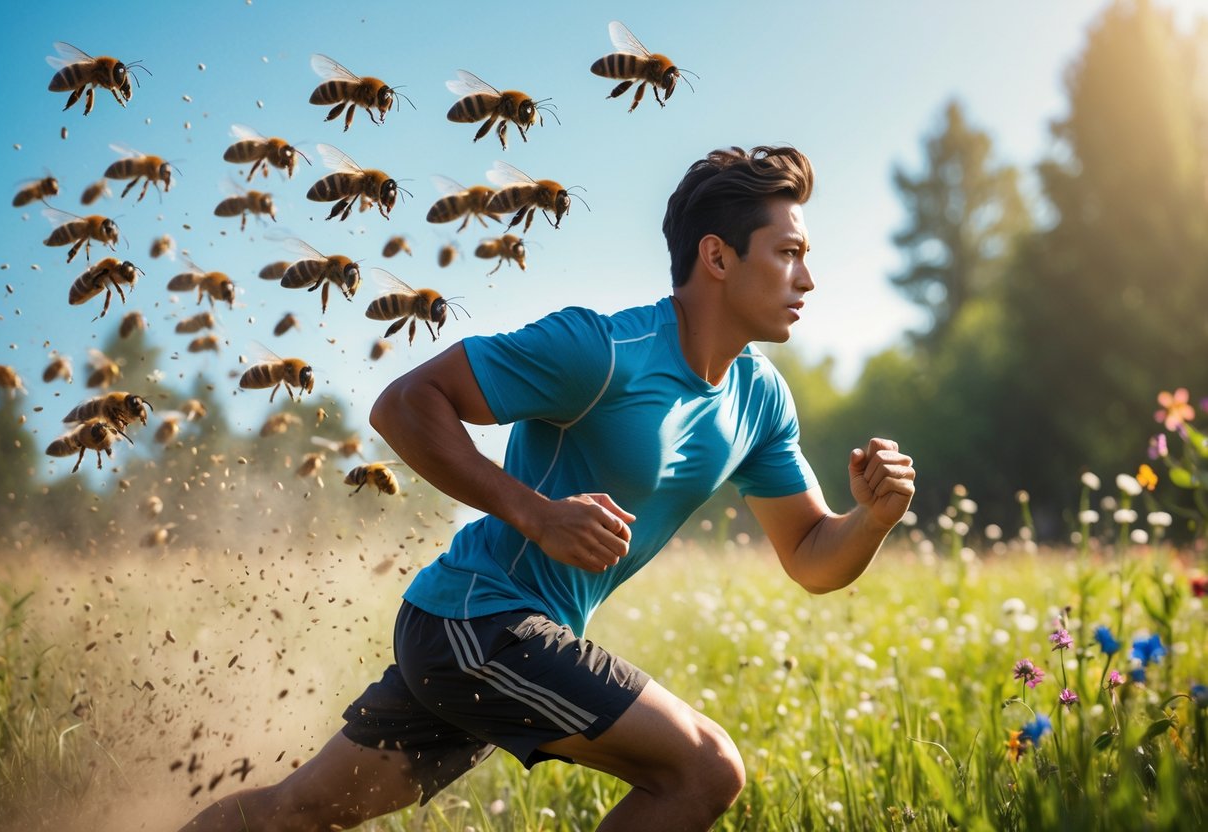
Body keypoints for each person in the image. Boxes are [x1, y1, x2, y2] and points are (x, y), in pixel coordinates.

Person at [181, 145, 916, 831]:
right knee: (704, 770)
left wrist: (873, 518)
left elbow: (811, 555)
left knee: (297, 814)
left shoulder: (758, 399)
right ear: (717, 257)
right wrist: (533, 514)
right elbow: (404, 404)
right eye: (787, 254)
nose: (807, 279)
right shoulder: (600, 352)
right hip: (479, 623)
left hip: (487, 634)